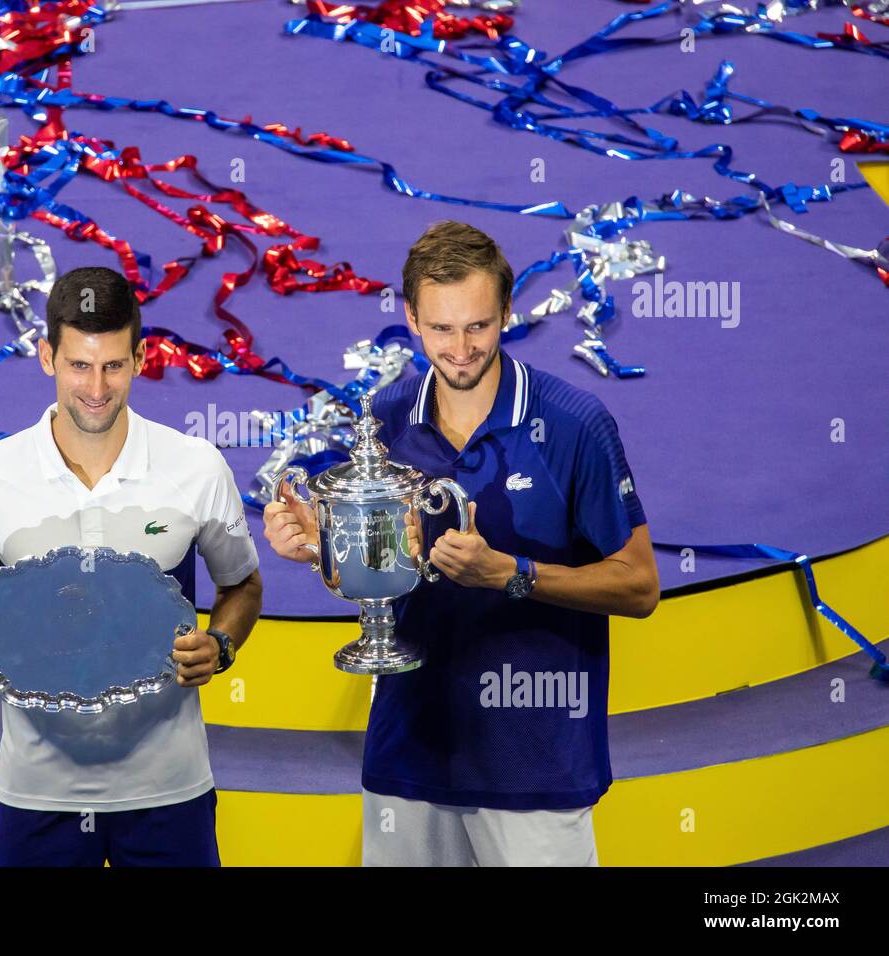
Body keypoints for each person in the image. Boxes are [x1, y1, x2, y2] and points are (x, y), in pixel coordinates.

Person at [263, 221, 659, 866]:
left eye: (478, 326)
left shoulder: (575, 423)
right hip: (409, 750)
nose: (461, 348)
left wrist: (511, 573)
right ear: (412, 320)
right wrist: (324, 545)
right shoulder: (385, 419)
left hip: (536, 762)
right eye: (441, 328)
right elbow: (387, 565)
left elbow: (640, 587)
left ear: (507, 312)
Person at [0, 265, 263, 867]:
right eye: (80, 365)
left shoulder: (198, 468)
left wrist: (222, 645)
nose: (97, 387)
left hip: (170, 787)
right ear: (47, 356)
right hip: (35, 790)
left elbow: (242, 585)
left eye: (114, 365)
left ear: (140, 358)